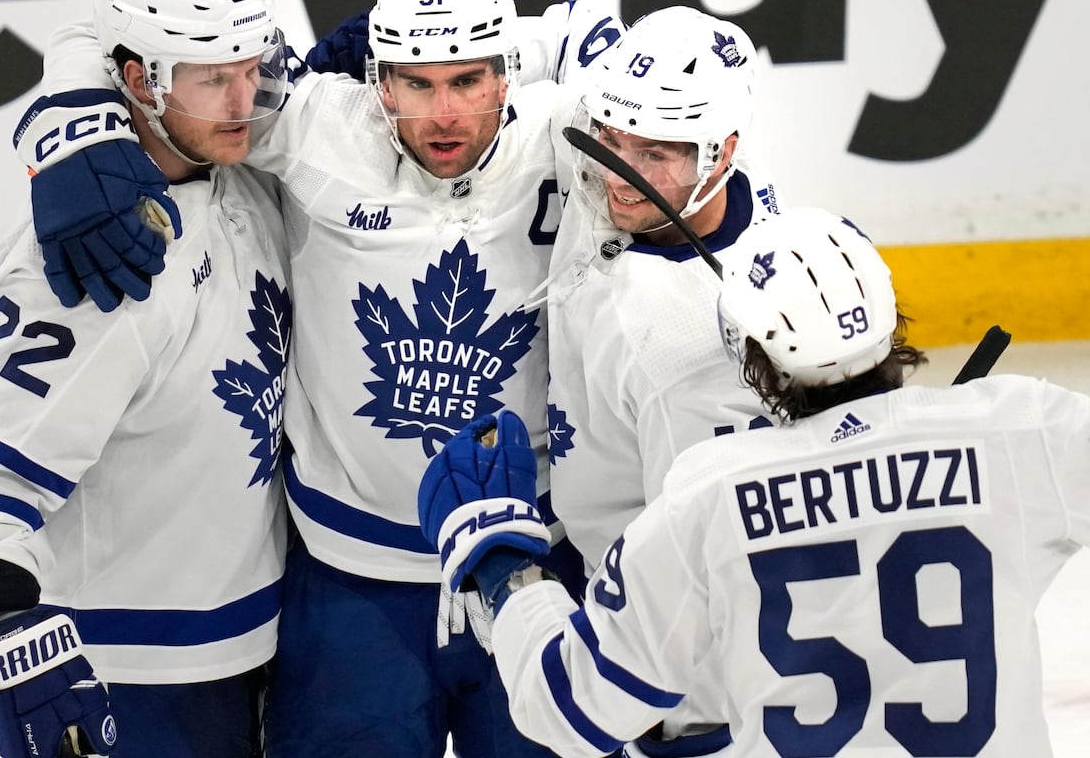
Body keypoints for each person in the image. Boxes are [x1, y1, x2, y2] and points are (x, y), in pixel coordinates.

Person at [12, 0, 625, 758]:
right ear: (378, 76)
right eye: (416, 84)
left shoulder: (566, 137)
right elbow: (136, 48)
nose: (444, 116)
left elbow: (671, 87)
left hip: (529, 570)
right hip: (349, 584)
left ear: (509, 71)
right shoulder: (309, 124)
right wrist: (73, 121)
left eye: (468, 81)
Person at [419, 206, 1090, 758]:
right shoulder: (1018, 430)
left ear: (752, 355)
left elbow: (568, 710)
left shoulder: (707, 497)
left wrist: (506, 569)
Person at [0, 0, 292, 758]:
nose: (243, 102)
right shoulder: (95, 262)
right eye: (210, 79)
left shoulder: (248, 174)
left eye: (250, 70)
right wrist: (11, 617)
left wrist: (66, 106)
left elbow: (89, 33)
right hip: (135, 672)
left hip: (256, 643)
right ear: (138, 81)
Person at [546, 5, 781, 583]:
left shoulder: (689, 355)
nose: (618, 178)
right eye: (610, 142)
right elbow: (570, 32)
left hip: (626, 591)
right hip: (568, 533)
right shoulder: (719, 164)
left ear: (719, 154)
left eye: (652, 154)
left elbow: (697, 565)